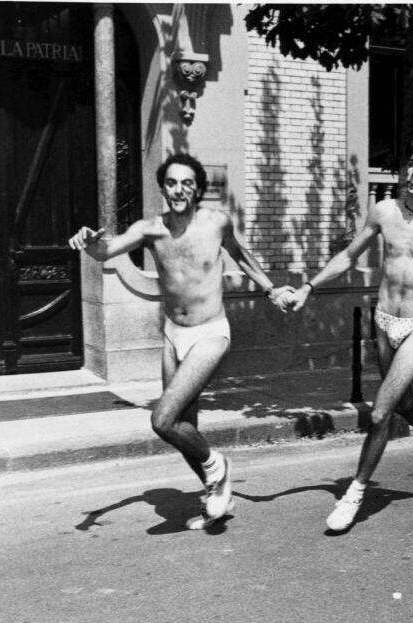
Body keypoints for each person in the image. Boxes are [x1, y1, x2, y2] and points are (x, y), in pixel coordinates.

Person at [69, 152, 293, 530]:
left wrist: (271, 290)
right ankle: (217, 490)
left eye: (187, 184)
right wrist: (87, 240)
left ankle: (217, 467)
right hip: (173, 336)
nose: (179, 190)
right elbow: (106, 250)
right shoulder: (151, 229)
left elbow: (242, 256)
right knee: (184, 428)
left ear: (198, 190)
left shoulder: (217, 222)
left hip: (210, 333)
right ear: (163, 188)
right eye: (172, 183)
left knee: (162, 419)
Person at [285, 132, 413, 533]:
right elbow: (348, 256)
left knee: (379, 411)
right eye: (411, 164)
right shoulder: (383, 212)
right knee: (405, 403)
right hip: (384, 320)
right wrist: (309, 287)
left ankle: (354, 493)